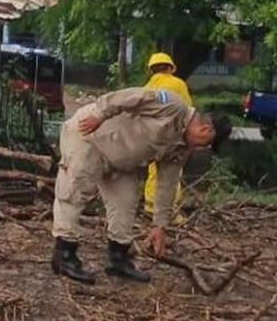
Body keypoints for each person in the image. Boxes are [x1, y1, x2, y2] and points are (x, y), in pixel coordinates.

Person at [51, 86, 230, 284]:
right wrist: (100, 115)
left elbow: (167, 185)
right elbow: (128, 97)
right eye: (206, 144)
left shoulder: (180, 148)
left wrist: (160, 226)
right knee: (75, 191)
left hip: (120, 161)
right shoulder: (171, 105)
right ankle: (64, 256)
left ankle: (118, 259)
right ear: (206, 130)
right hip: (90, 137)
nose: (201, 148)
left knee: (126, 202)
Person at [143, 52, 194, 216]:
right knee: (172, 172)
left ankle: (150, 206)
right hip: (172, 134)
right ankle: (169, 210)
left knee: (153, 170)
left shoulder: (148, 86)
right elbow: (188, 108)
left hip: (151, 135)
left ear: (151, 70)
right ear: (171, 68)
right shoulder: (178, 84)